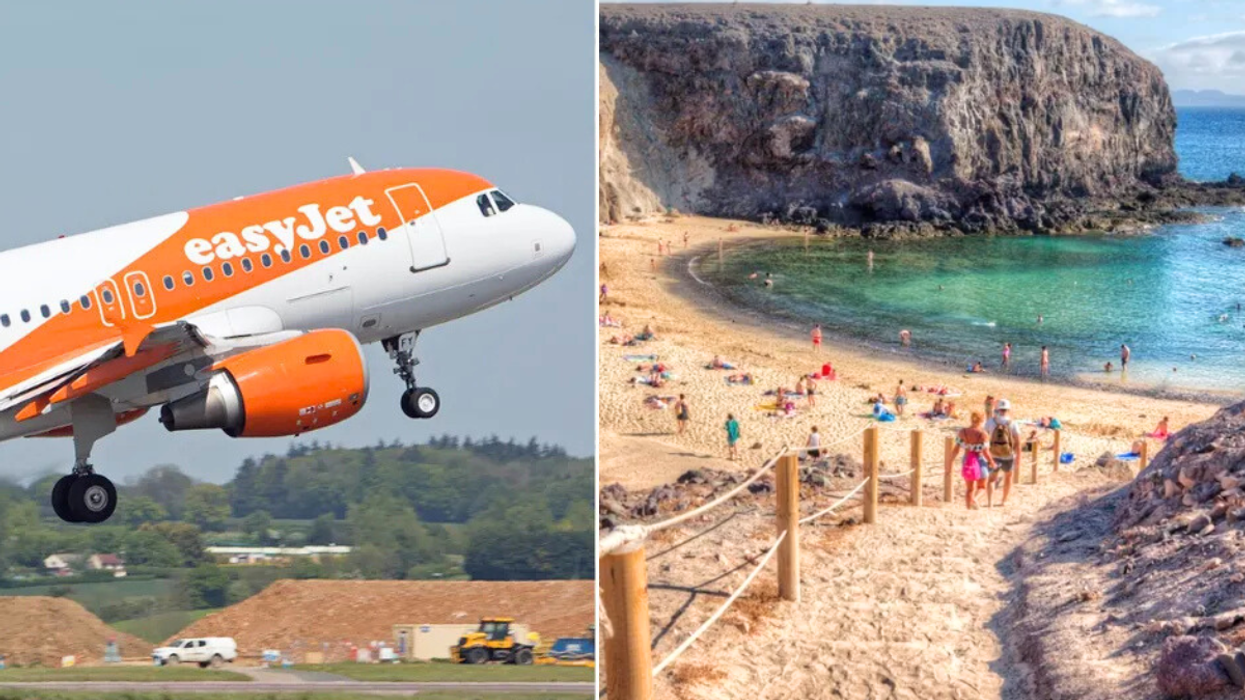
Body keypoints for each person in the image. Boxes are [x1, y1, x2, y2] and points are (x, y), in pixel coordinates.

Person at [950, 412, 995, 510]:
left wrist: (950, 461)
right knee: (982, 486)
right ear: (982, 421)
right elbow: (986, 452)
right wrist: (992, 462)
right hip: (979, 460)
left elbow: (956, 449)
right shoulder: (983, 434)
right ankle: (975, 499)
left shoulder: (962, 432)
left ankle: (968, 509)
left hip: (967, 459)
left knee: (969, 489)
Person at [985, 399, 1022, 507]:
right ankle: (1004, 500)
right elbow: (1018, 441)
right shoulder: (1013, 423)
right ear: (1008, 410)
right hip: (1008, 455)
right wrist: (1019, 457)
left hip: (993, 454)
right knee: (1008, 477)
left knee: (991, 479)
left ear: (997, 409)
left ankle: (990, 502)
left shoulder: (990, 422)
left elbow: (984, 437)